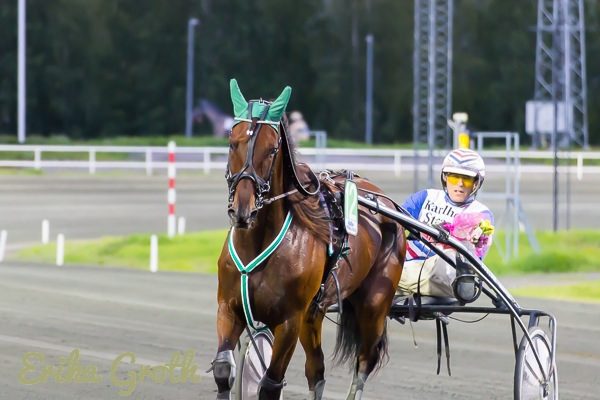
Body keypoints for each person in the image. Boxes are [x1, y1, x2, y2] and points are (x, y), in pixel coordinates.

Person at [398, 148, 495, 300]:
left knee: (451, 259)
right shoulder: (424, 197)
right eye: (454, 178)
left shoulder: (481, 213)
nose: (460, 184)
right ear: (445, 178)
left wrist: (477, 236)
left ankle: (393, 277)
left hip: (446, 272)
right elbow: (395, 224)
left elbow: (477, 251)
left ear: (476, 183)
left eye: (467, 179)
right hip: (410, 261)